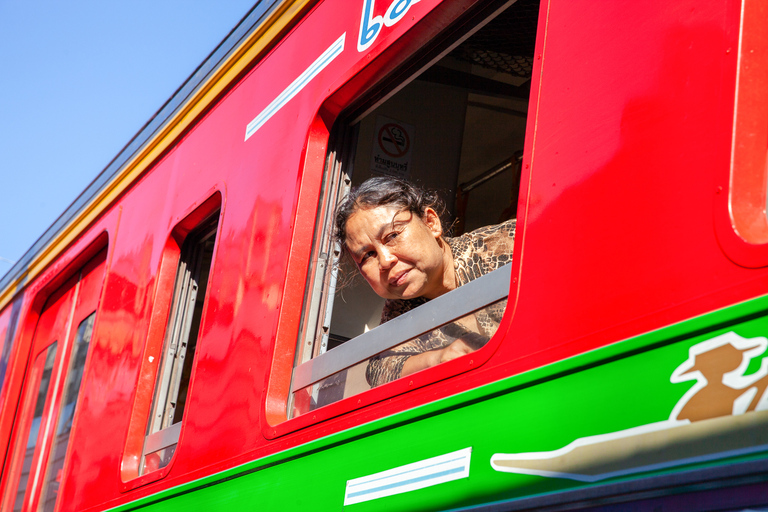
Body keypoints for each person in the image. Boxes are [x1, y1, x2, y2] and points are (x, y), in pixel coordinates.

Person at [334, 176, 515, 387]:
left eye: (392, 236)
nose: (385, 261)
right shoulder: (401, 308)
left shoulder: (510, 245)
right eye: (367, 256)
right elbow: (379, 369)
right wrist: (437, 359)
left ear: (431, 223)